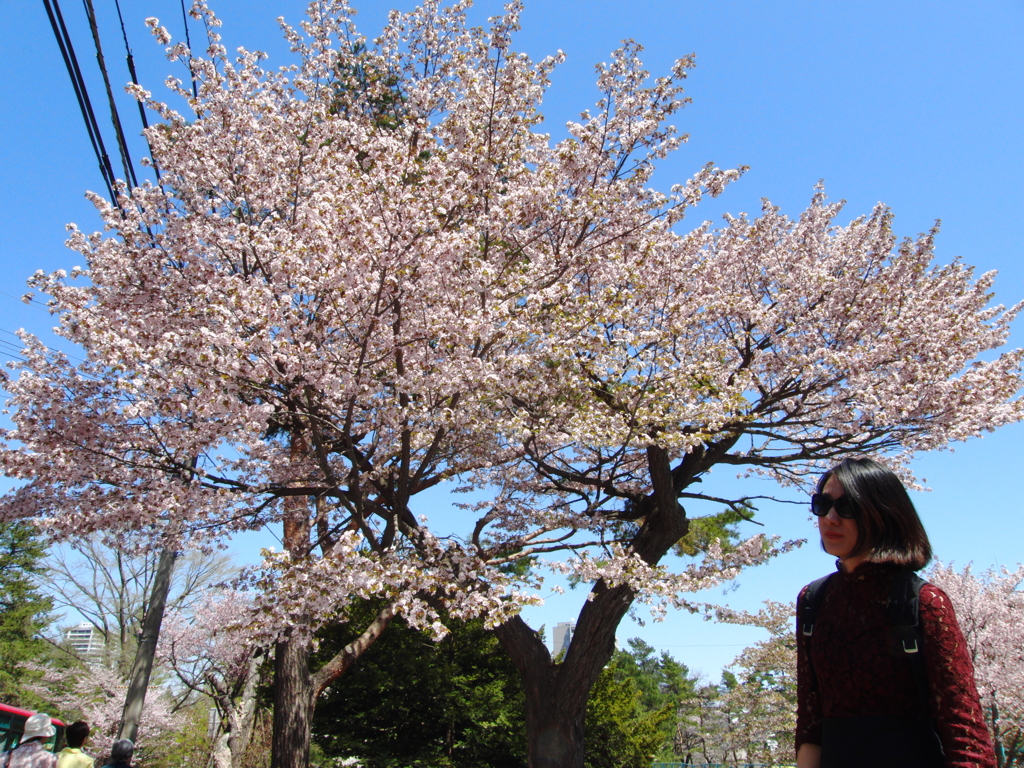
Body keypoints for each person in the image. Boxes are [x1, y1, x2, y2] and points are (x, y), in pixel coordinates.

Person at [795, 457, 996, 768]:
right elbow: (811, 719)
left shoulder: (925, 601)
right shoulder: (813, 600)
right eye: (822, 504)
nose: (830, 518)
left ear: (882, 514)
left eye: (848, 507)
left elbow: (963, 727)